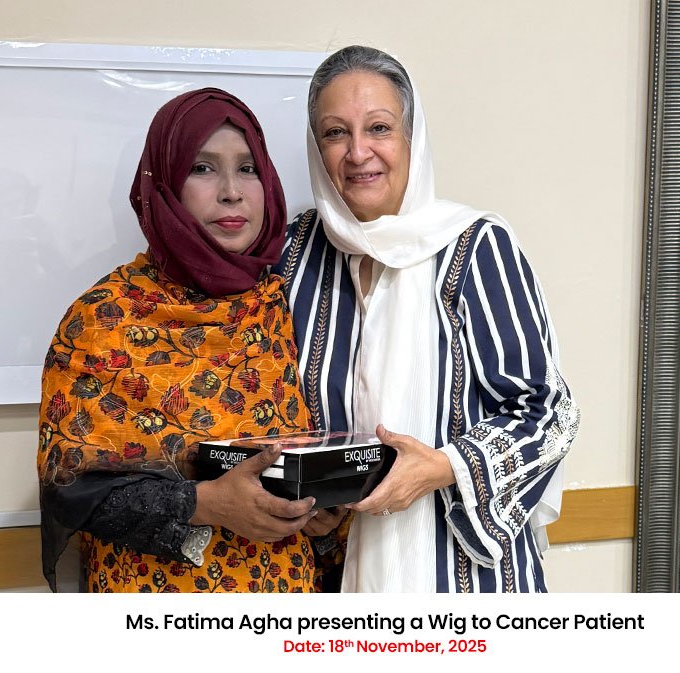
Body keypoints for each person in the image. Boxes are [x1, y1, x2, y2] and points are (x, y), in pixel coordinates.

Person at [275, 46, 581, 592]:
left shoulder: (474, 246)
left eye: (379, 128)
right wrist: (311, 505)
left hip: (463, 582)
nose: (358, 152)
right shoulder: (296, 254)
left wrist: (442, 468)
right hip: (336, 571)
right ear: (315, 147)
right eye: (335, 133)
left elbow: (549, 414)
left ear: (411, 136)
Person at [38, 88, 341, 593]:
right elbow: (67, 487)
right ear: (164, 186)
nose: (231, 192)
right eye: (202, 168)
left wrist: (319, 517)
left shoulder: (283, 308)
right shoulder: (104, 319)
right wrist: (205, 504)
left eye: (248, 168)